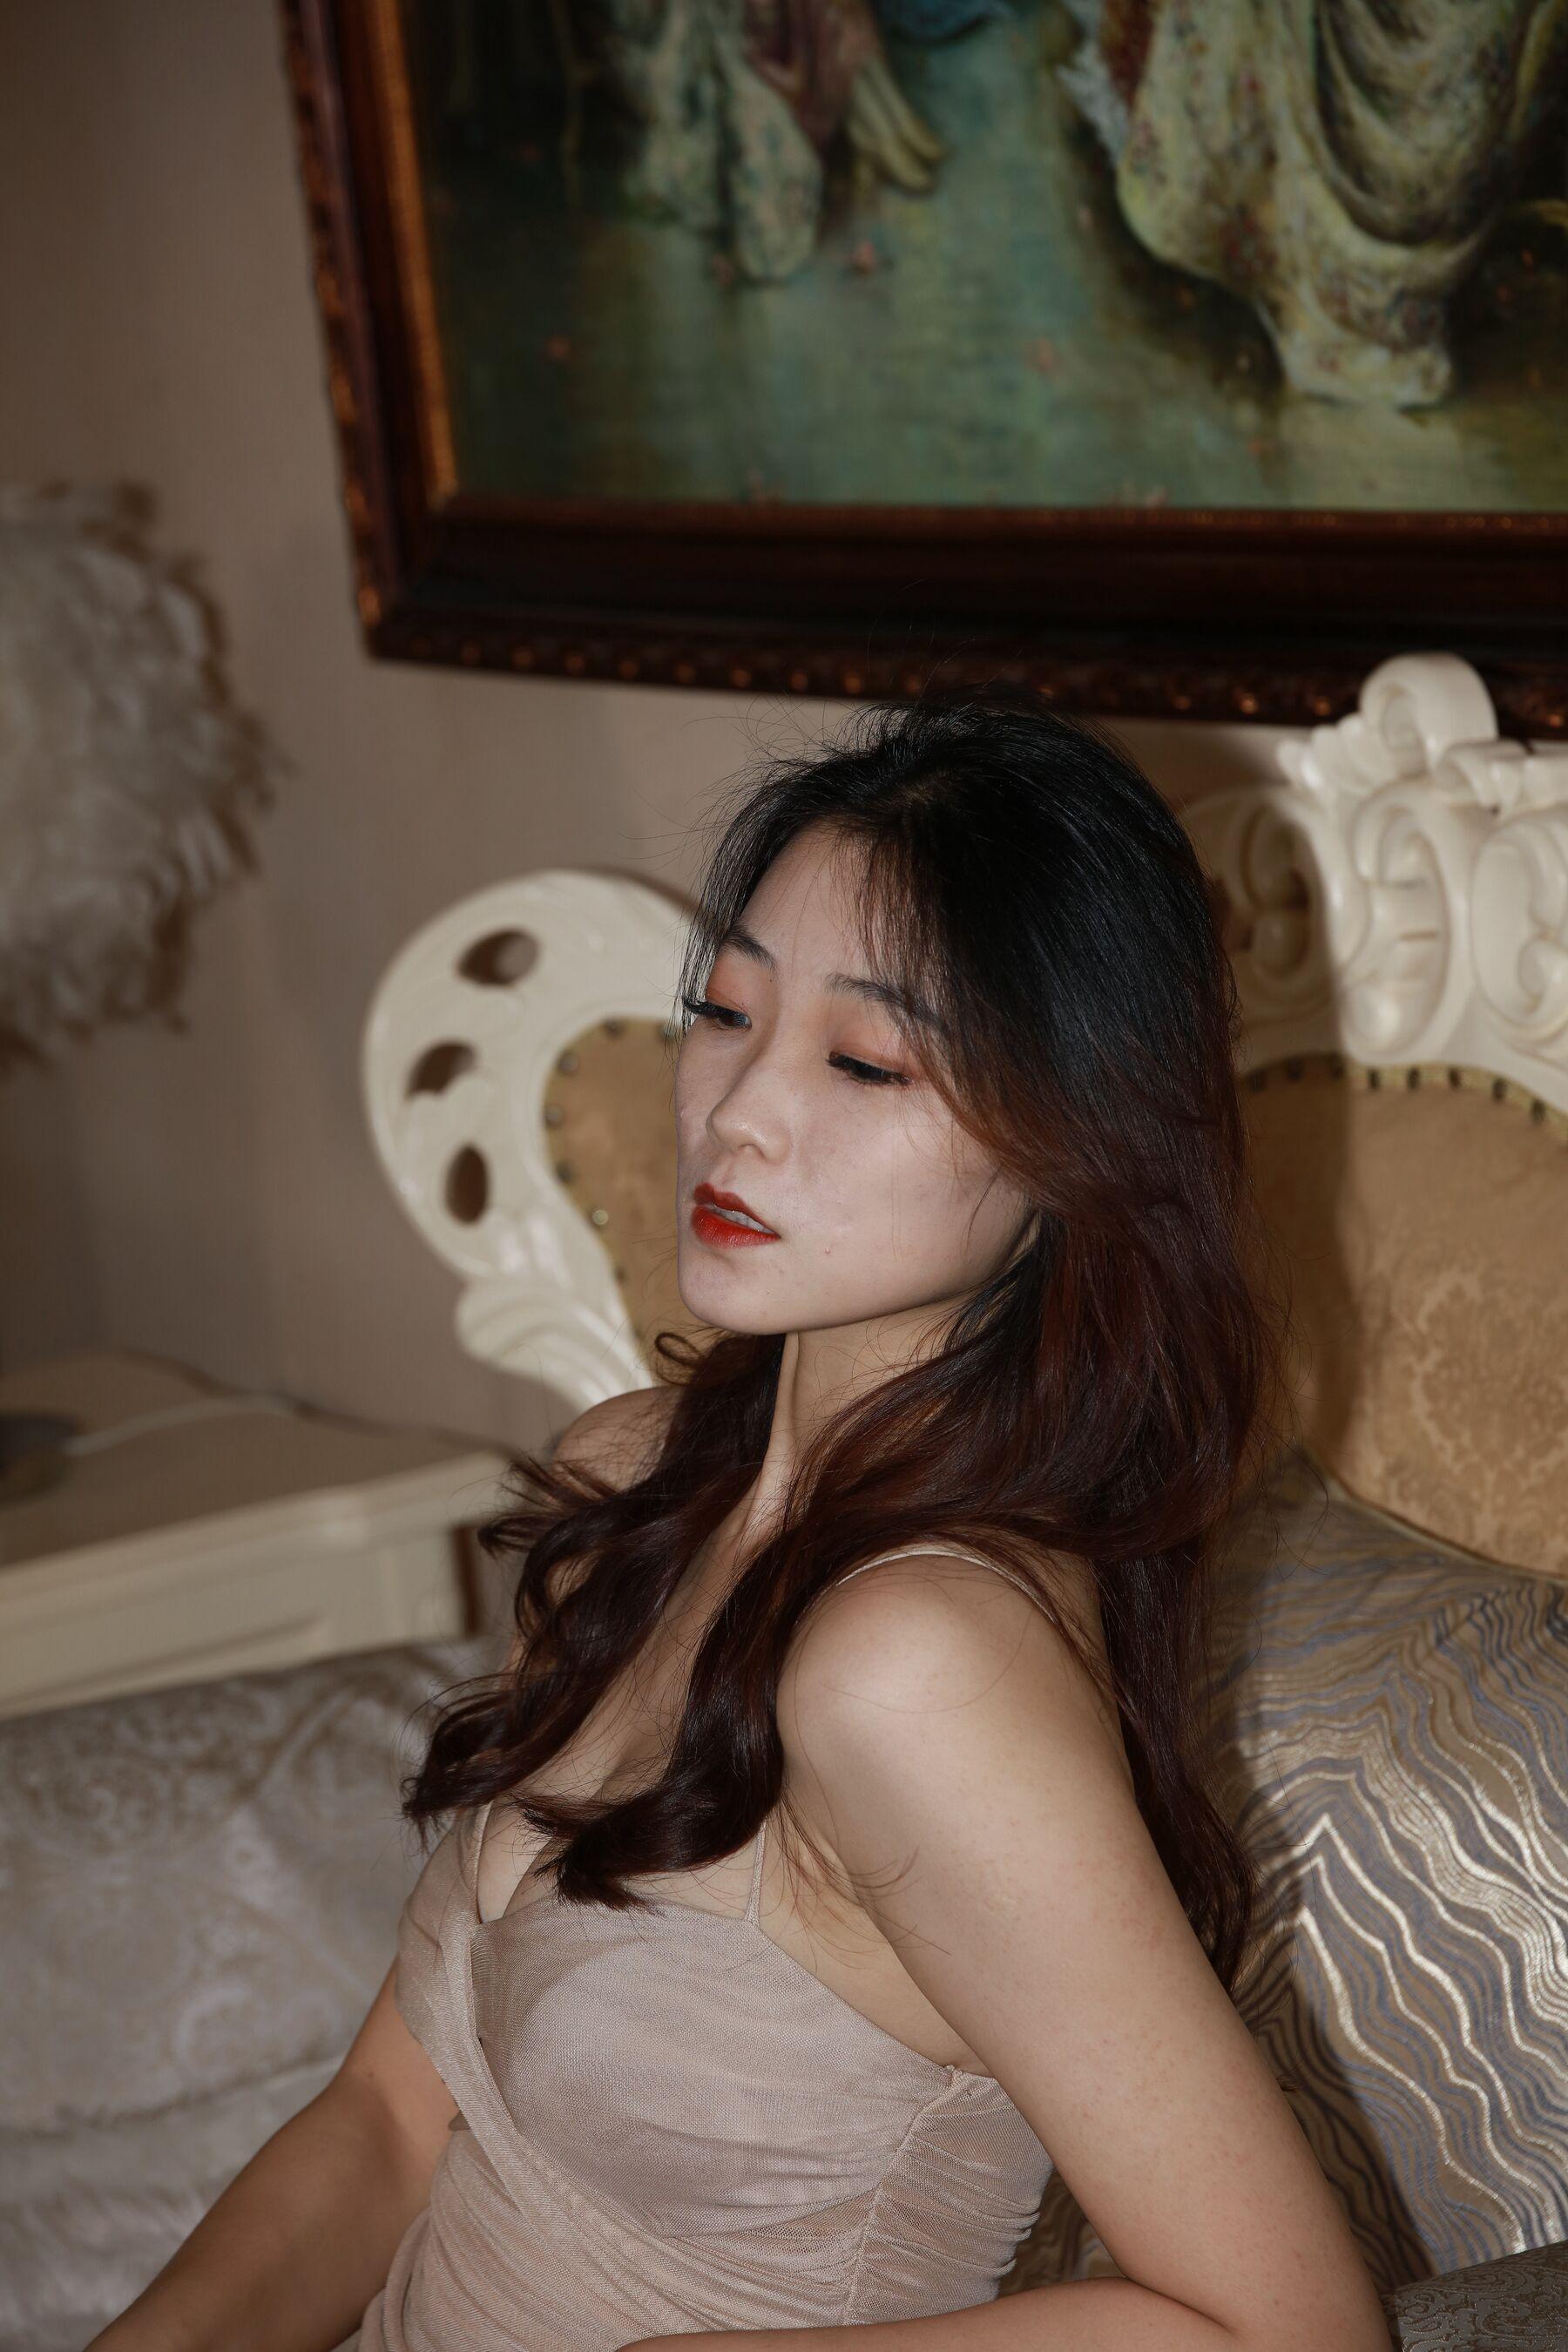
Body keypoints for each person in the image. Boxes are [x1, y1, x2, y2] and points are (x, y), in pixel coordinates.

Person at [91, 689, 1394, 2352]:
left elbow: (1293, 2331)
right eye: (723, 1010)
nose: (738, 1108)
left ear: (1076, 1148)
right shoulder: (633, 1483)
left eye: (863, 1059)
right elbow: (388, 2123)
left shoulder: (914, 1665)